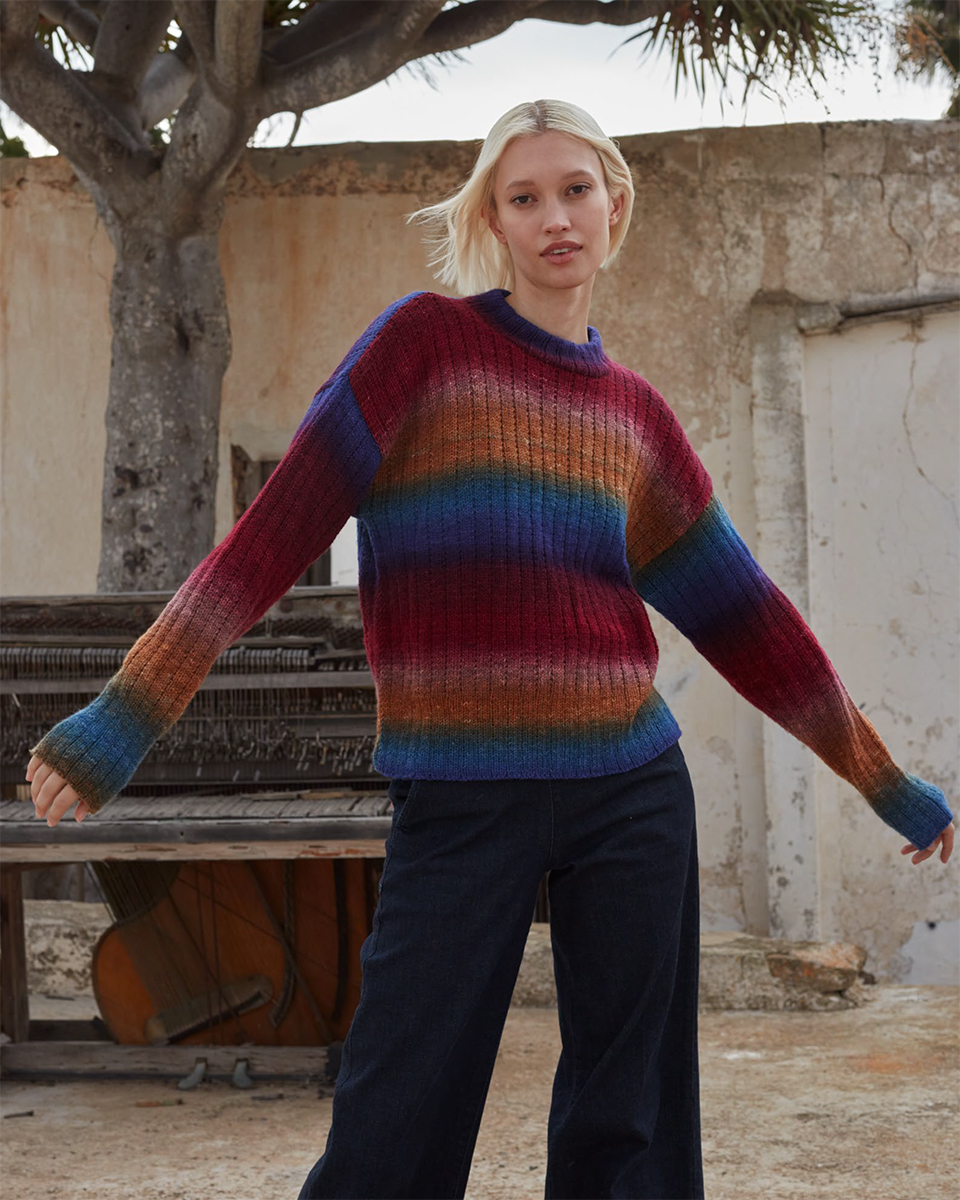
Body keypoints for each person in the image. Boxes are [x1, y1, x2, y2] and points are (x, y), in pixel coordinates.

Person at [27, 99, 955, 1200]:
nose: (555, 218)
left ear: (615, 206)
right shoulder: (422, 347)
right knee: (397, 1115)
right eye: (525, 198)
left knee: (632, 1125)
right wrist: (124, 716)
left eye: (576, 191)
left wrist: (882, 779)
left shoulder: (636, 419)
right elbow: (268, 540)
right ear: (494, 221)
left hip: (631, 790)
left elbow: (748, 619)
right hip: (462, 795)